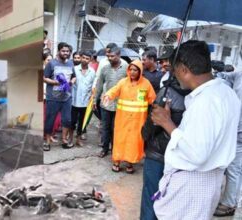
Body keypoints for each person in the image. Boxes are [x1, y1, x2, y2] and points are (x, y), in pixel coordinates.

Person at [151, 40, 241, 219]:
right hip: (209, 180)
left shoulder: (205, 101)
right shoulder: (227, 93)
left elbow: (197, 154)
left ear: (184, 69)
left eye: (174, 71)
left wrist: (167, 123)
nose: (174, 76)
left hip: (192, 183)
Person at [140, 74, 191, 218]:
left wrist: (145, 136)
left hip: (158, 154)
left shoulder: (167, 92)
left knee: (152, 196)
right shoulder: (200, 97)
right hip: (183, 157)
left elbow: (152, 124)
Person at [102, 60, 156, 173]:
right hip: (122, 119)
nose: (132, 72)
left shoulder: (146, 84)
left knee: (134, 142)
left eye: (135, 70)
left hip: (138, 121)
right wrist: (107, 96)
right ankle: (116, 161)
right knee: (120, 140)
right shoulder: (123, 82)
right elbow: (114, 90)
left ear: (140, 71)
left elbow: (153, 99)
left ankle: (129, 163)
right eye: (130, 69)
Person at [212, 70, 242, 217]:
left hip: (239, 134)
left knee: (234, 170)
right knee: (231, 168)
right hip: (233, 130)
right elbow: (223, 76)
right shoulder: (238, 75)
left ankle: (229, 203)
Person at [95, 46, 128, 158]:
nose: (109, 58)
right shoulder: (105, 68)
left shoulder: (126, 68)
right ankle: (104, 148)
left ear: (118, 55)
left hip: (120, 105)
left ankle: (115, 149)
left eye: (112, 56)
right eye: (108, 56)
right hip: (106, 103)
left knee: (116, 128)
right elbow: (99, 85)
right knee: (105, 127)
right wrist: (95, 99)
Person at [44, 42, 76, 151]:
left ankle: (64, 141)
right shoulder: (51, 63)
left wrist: (71, 82)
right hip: (53, 98)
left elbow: (74, 77)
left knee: (67, 120)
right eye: (63, 51)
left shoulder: (71, 64)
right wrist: (56, 82)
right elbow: (44, 78)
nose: (65, 53)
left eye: (67, 51)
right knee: (50, 120)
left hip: (66, 97)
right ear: (59, 51)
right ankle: (47, 142)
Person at [69, 50, 96, 146]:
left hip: (85, 102)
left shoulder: (92, 72)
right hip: (74, 101)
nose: (84, 60)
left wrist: (93, 100)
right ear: (80, 58)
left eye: (87, 58)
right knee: (72, 121)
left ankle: (78, 139)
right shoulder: (74, 69)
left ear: (90, 60)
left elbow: (93, 86)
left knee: (82, 122)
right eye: (83, 58)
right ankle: (70, 138)